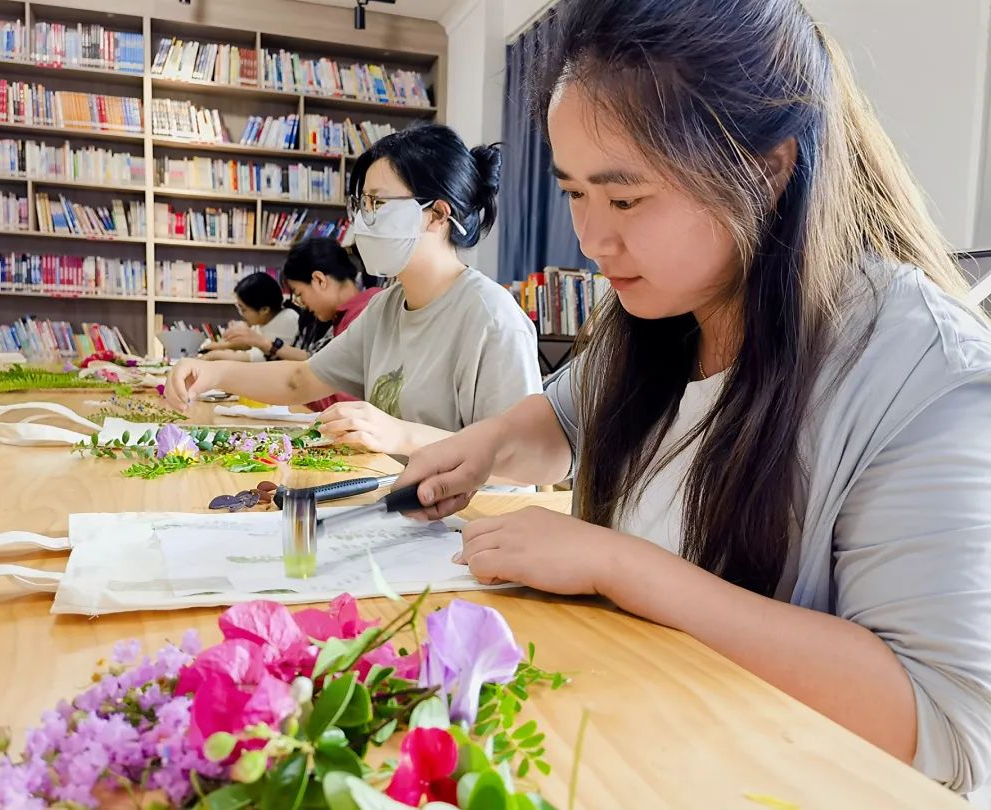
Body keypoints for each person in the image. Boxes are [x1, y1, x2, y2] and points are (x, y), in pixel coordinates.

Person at [396, 0, 991, 796]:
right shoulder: (662, 308)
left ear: (767, 170)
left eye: (627, 198)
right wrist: (492, 444)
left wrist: (618, 565)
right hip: (634, 754)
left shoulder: (921, 370)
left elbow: (947, 731)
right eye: (573, 192)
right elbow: (565, 418)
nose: (591, 239)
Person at [166, 123, 542, 456]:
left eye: (377, 203)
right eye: (361, 204)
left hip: (470, 524)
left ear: (437, 215)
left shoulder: (491, 317)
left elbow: (521, 458)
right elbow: (301, 380)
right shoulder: (386, 307)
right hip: (396, 504)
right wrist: (212, 373)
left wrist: (401, 436)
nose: (363, 221)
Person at [272, 237, 382, 411]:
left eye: (300, 294)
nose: (303, 304)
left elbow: (346, 401)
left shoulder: (364, 313)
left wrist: (292, 388)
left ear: (320, 280)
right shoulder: (347, 314)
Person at [200, 271, 299, 362]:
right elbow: (249, 344)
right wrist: (219, 346)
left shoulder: (287, 319)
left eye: (243, 309)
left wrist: (214, 355)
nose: (241, 314)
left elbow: (259, 358)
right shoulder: (264, 320)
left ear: (264, 309)